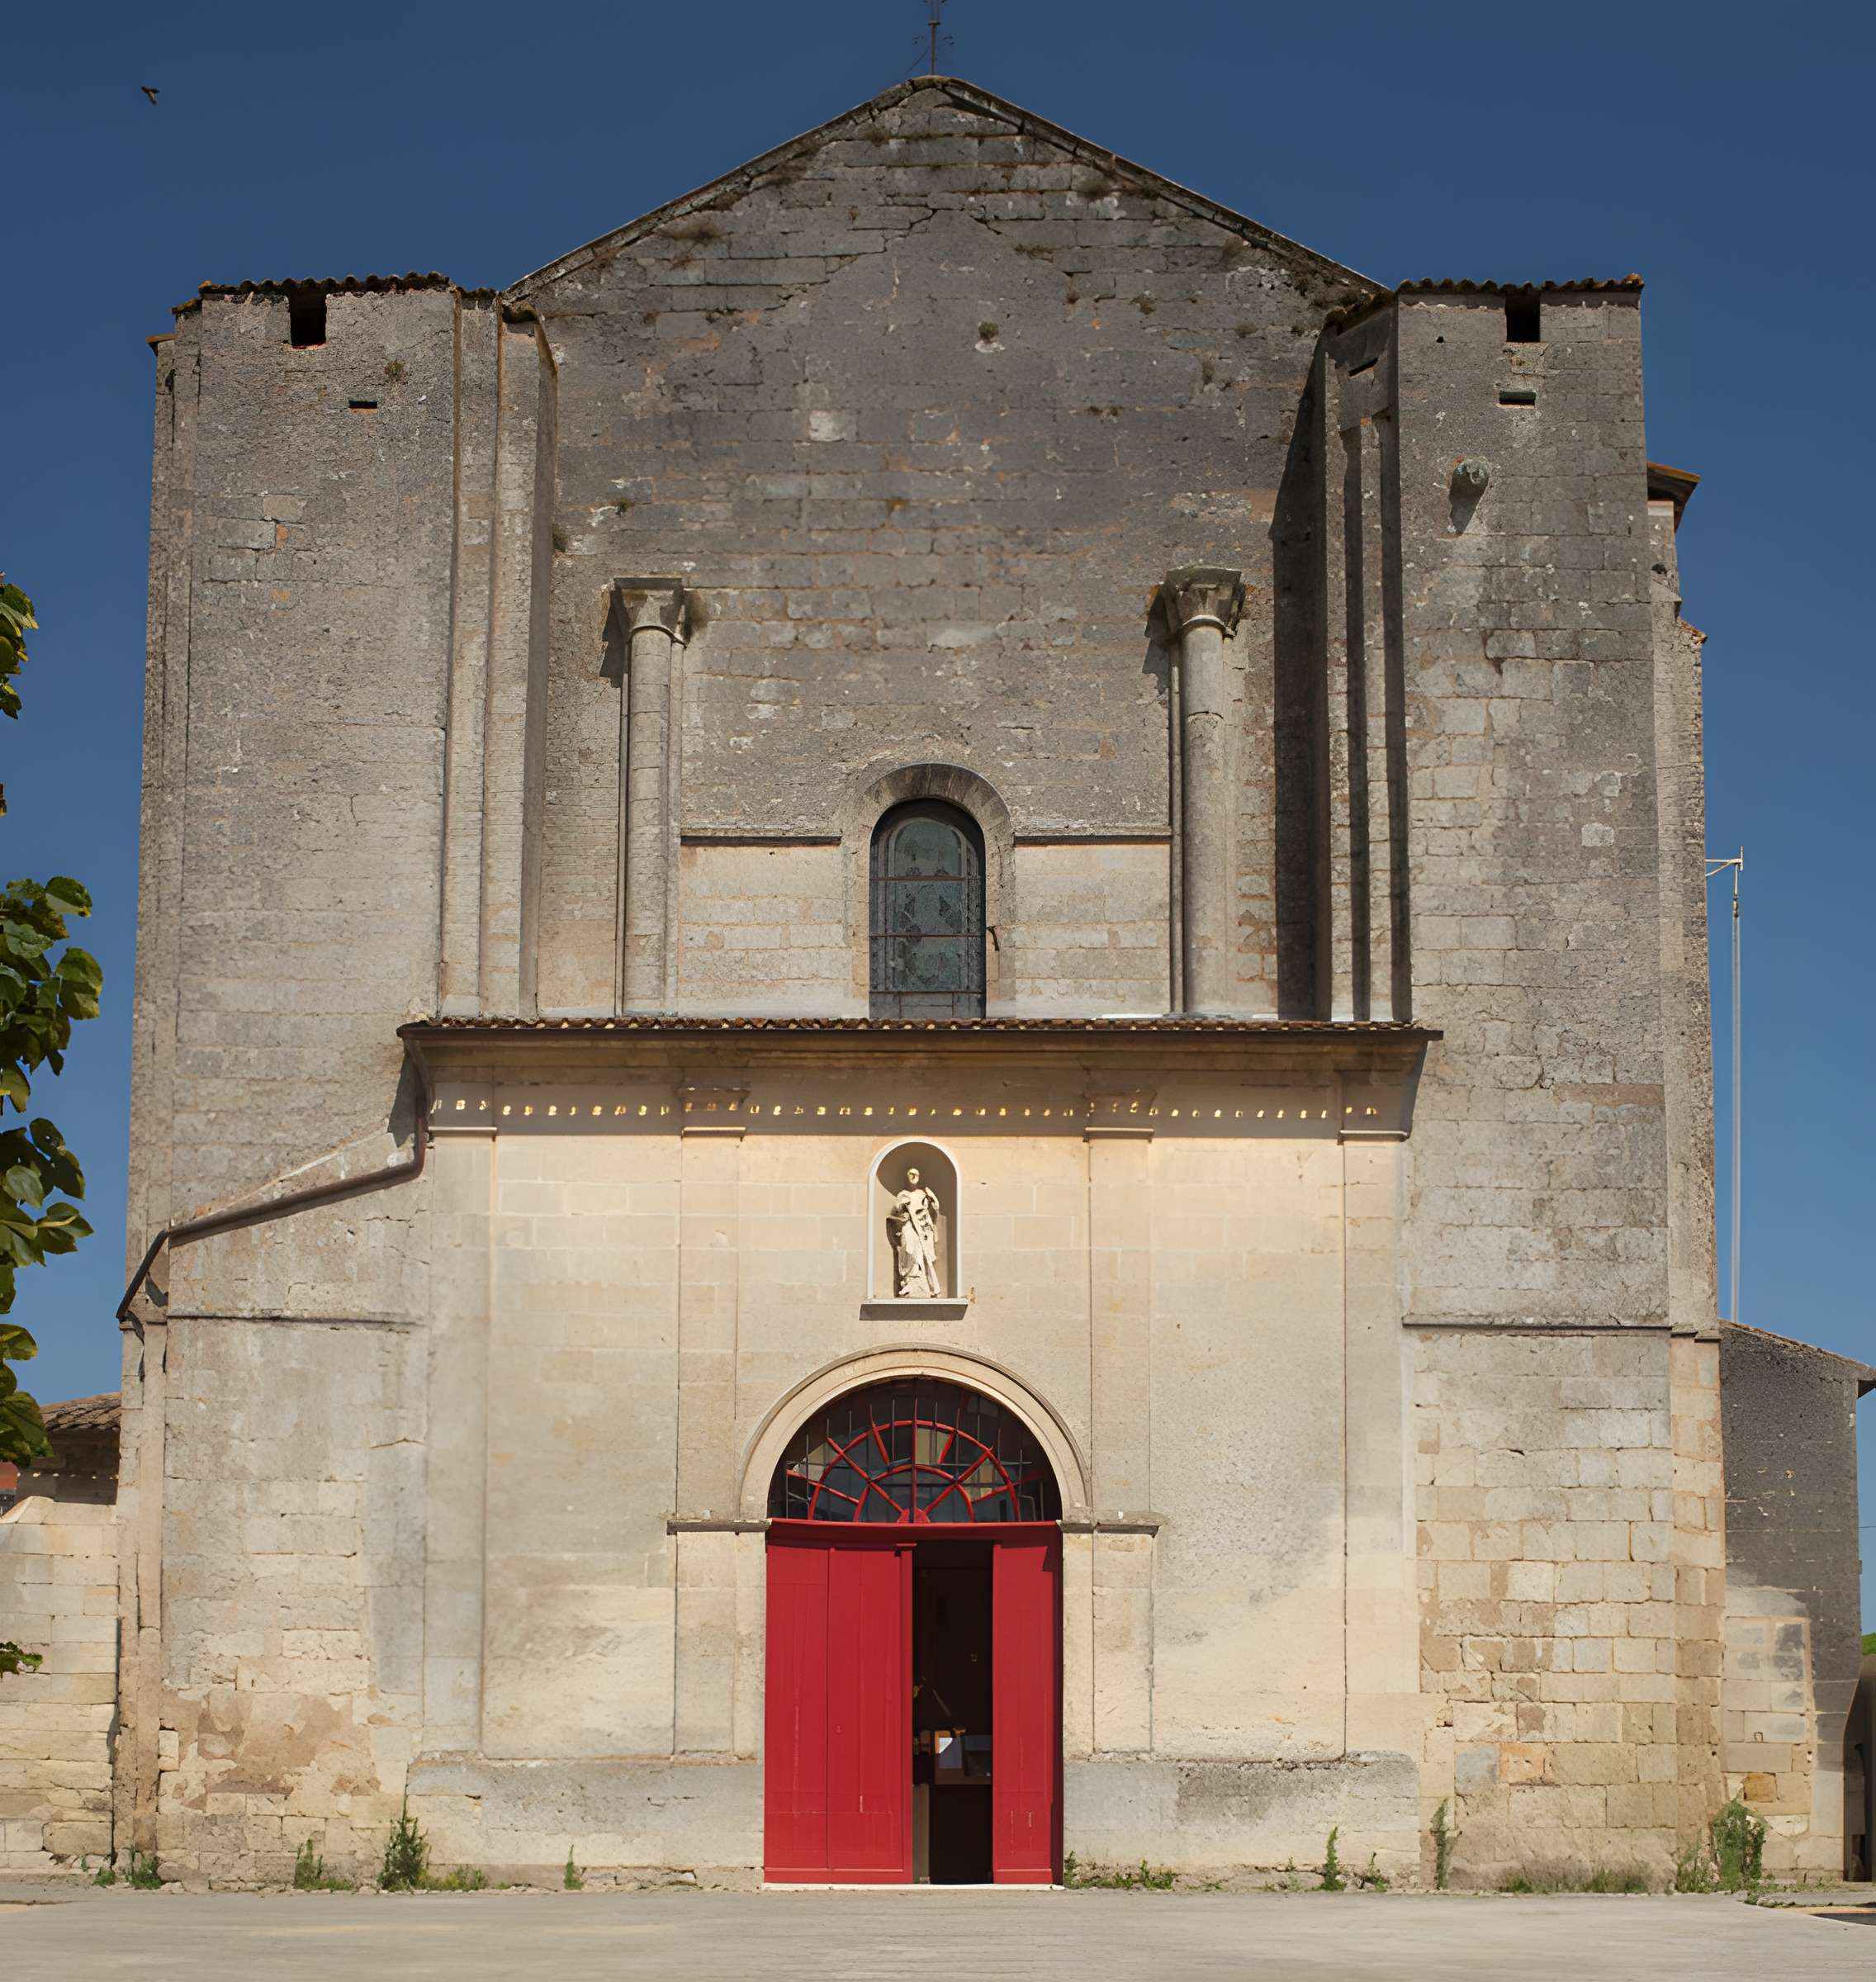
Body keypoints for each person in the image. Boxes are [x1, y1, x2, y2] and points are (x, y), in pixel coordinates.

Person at [888, 1166, 942, 1297]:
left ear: (919, 1177)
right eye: (910, 1174)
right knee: (909, 1247)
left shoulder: (924, 1193)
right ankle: (909, 1281)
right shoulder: (903, 1194)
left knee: (923, 1254)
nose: (913, 1177)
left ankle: (923, 1282)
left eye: (916, 1174)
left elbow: (935, 1208)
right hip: (910, 1226)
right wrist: (901, 1211)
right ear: (907, 1177)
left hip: (923, 1227)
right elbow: (893, 1213)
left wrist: (933, 1200)